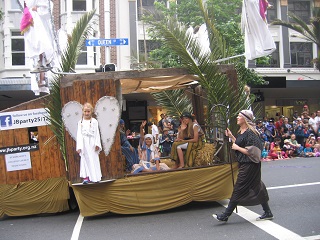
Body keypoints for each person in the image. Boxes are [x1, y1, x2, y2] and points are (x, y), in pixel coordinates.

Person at [213, 110, 273, 222]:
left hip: (250, 164)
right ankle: (268, 212)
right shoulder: (242, 132)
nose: (237, 117)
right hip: (246, 163)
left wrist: (238, 148)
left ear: (245, 119)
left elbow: (253, 151)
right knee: (256, 186)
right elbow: (240, 144)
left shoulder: (251, 133)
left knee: (238, 188)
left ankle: (226, 215)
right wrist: (231, 136)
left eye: (239, 116)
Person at [76, 103, 102, 184]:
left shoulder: (94, 121)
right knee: (85, 159)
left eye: (88, 111)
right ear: (83, 111)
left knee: (93, 159)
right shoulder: (80, 122)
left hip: (92, 143)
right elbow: (79, 135)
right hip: (84, 144)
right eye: (85, 111)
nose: (87, 113)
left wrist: (97, 144)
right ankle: (86, 177)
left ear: (91, 111)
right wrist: (79, 147)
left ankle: (95, 177)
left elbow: (97, 133)